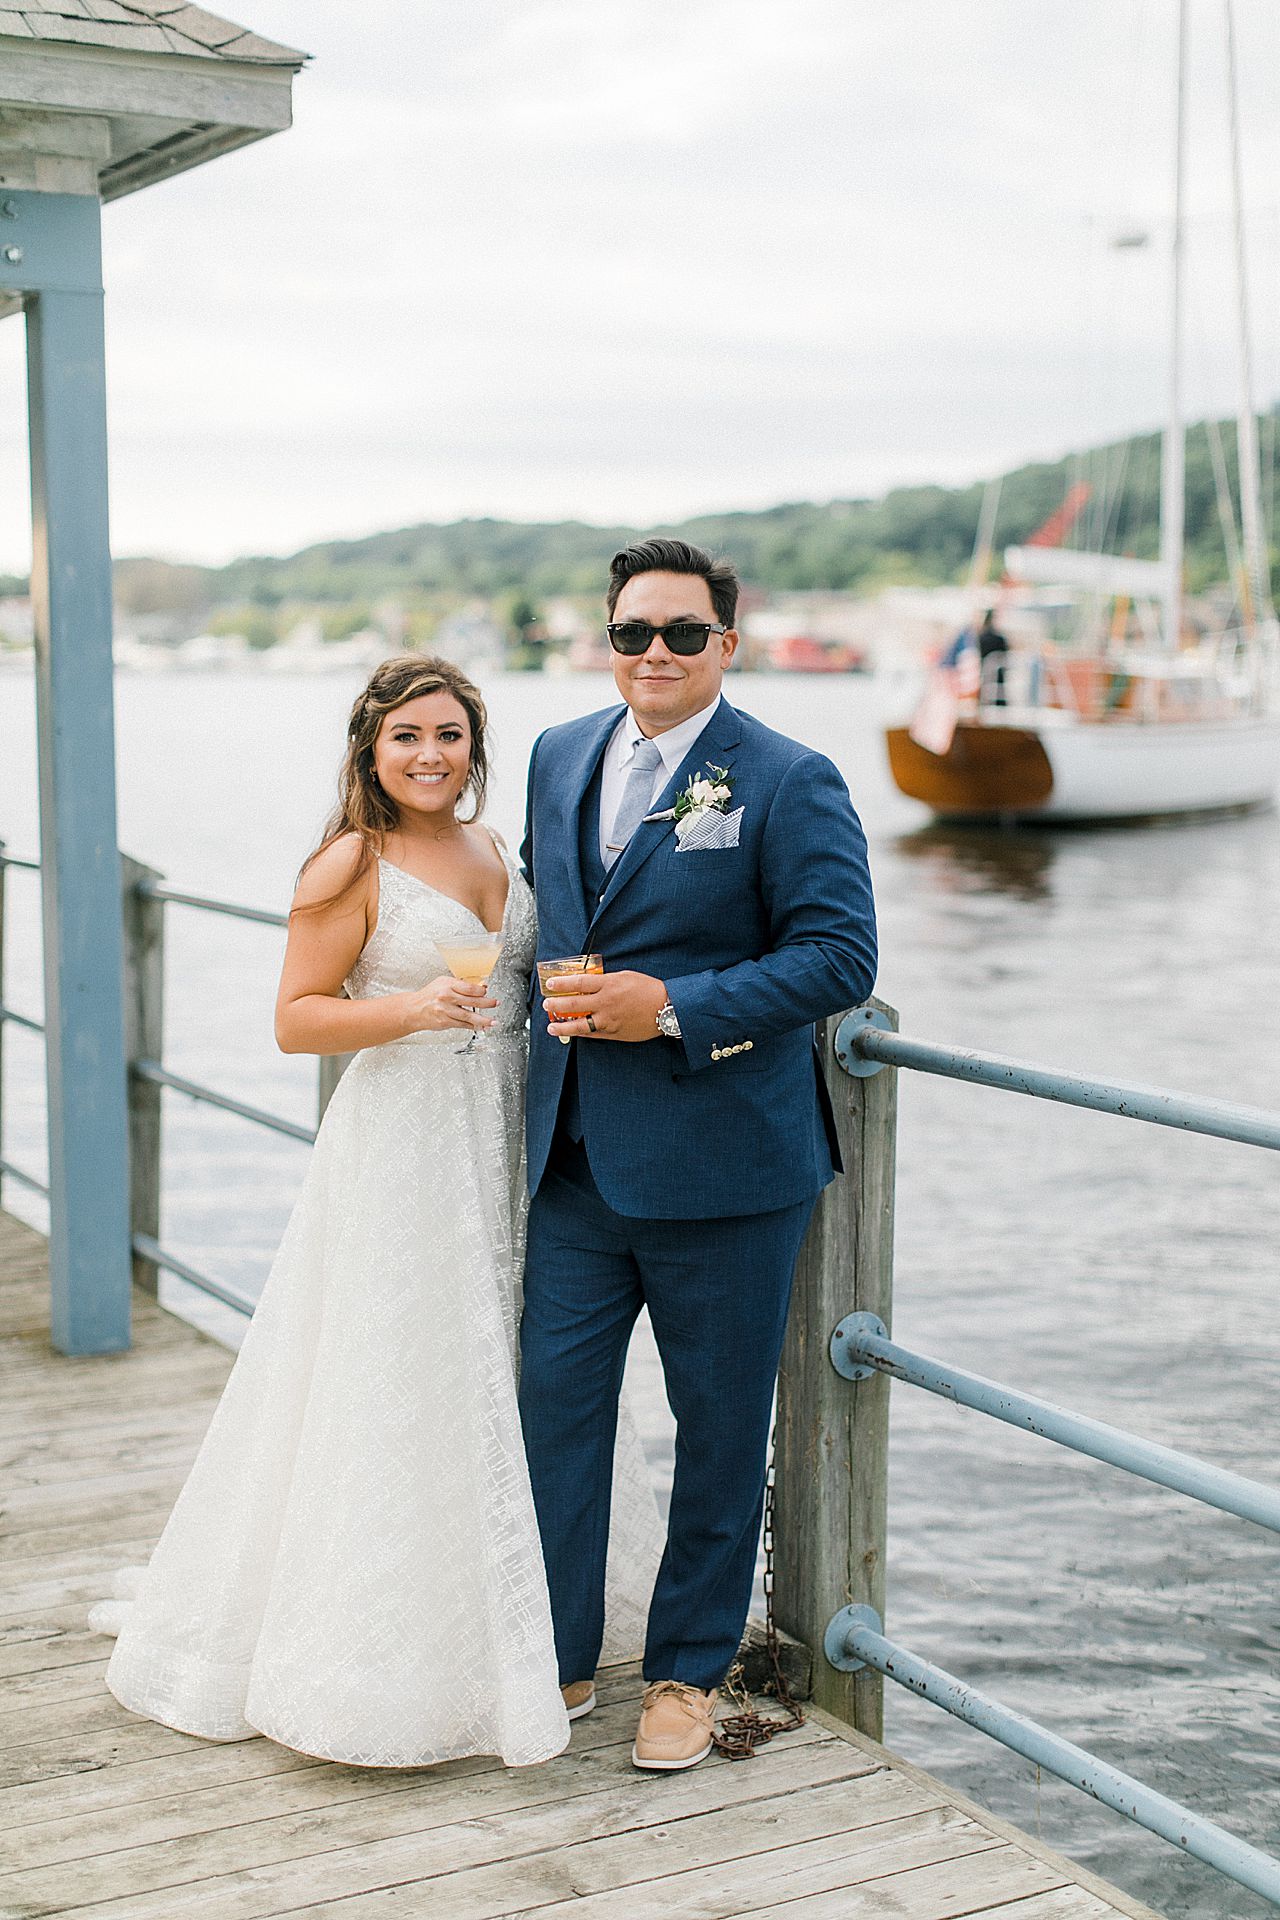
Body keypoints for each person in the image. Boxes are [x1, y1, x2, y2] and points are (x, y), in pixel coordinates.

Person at [91, 654, 661, 1768]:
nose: (430, 755)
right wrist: (409, 1007)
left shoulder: (496, 848)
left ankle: (519, 1601)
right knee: (400, 1367)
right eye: (407, 737)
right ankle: (381, 1648)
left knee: (512, 1366)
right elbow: (296, 1021)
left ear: (474, 746)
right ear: (370, 749)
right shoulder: (351, 859)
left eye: (448, 735)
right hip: (406, 1139)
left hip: (507, 1133)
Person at [519, 537, 878, 1772]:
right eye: (632, 633)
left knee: (718, 1430)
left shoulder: (789, 778)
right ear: (605, 639)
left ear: (728, 642)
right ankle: (558, 1654)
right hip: (569, 1160)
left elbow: (838, 958)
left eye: (681, 633)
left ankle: (683, 1672)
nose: (654, 654)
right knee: (550, 1416)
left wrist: (665, 1006)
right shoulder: (556, 753)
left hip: (724, 1166)